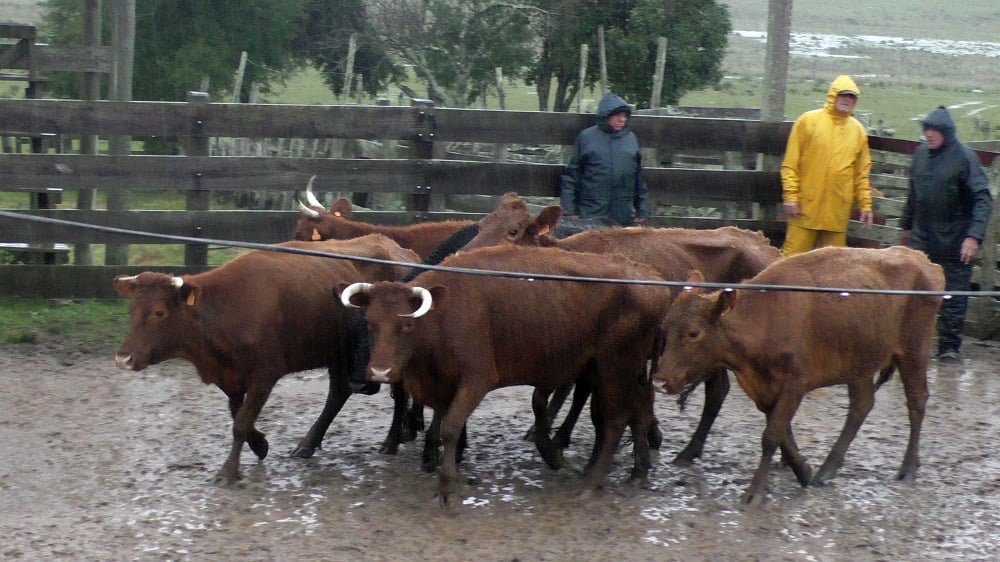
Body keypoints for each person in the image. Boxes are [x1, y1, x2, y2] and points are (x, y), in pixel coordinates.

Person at [901, 106, 993, 364]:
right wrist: (906, 228)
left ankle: (948, 348)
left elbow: (983, 198)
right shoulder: (919, 155)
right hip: (922, 236)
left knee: (953, 295)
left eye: (934, 131)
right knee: (915, 292)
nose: (929, 135)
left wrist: (973, 236)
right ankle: (911, 343)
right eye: (926, 130)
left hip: (955, 238)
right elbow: (913, 195)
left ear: (946, 133)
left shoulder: (965, 157)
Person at [780, 75, 874, 255]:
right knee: (791, 263)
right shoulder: (807, 121)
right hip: (804, 210)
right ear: (833, 95)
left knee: (834, 270)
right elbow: (790, 164)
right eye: (844, 95)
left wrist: (865, 205)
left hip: (836, 215)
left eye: (852, 97)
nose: (847, 100)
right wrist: (790, 196)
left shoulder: (858, 131)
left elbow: (862, 174)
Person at [560, 92, 650, 226]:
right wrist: (569, 210)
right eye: (618, 115)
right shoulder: (586, 138)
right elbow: (572, 176)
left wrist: (642, 210)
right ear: (606, 115)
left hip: (622, 214)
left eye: (625, 116)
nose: (622, 119)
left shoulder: (631, 139)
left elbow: (638, 178)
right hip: (591, 212)